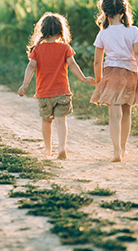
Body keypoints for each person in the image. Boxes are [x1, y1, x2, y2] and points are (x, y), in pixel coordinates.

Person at [18, 12, 95, 160]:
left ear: (42, 32)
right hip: (62, 92)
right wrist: (84, 78)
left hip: (44, 93)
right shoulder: (65, 48)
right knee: (61, 121)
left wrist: (25, 84)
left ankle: (47, 150)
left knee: (46, 121)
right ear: (61, 32)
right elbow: (73, 64)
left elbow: (30, 67)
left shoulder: (37, 50)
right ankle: (62, 148)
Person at [90, 0, 138, 162]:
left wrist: (100, 81)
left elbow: (97, 62)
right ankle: (123, 148)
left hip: (111, 75)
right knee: (126, 112)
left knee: (114, 114)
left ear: (105, 14)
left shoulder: (103, 34)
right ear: (124, 11)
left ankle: (116, 151)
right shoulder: (134, 31)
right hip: (130, 75)